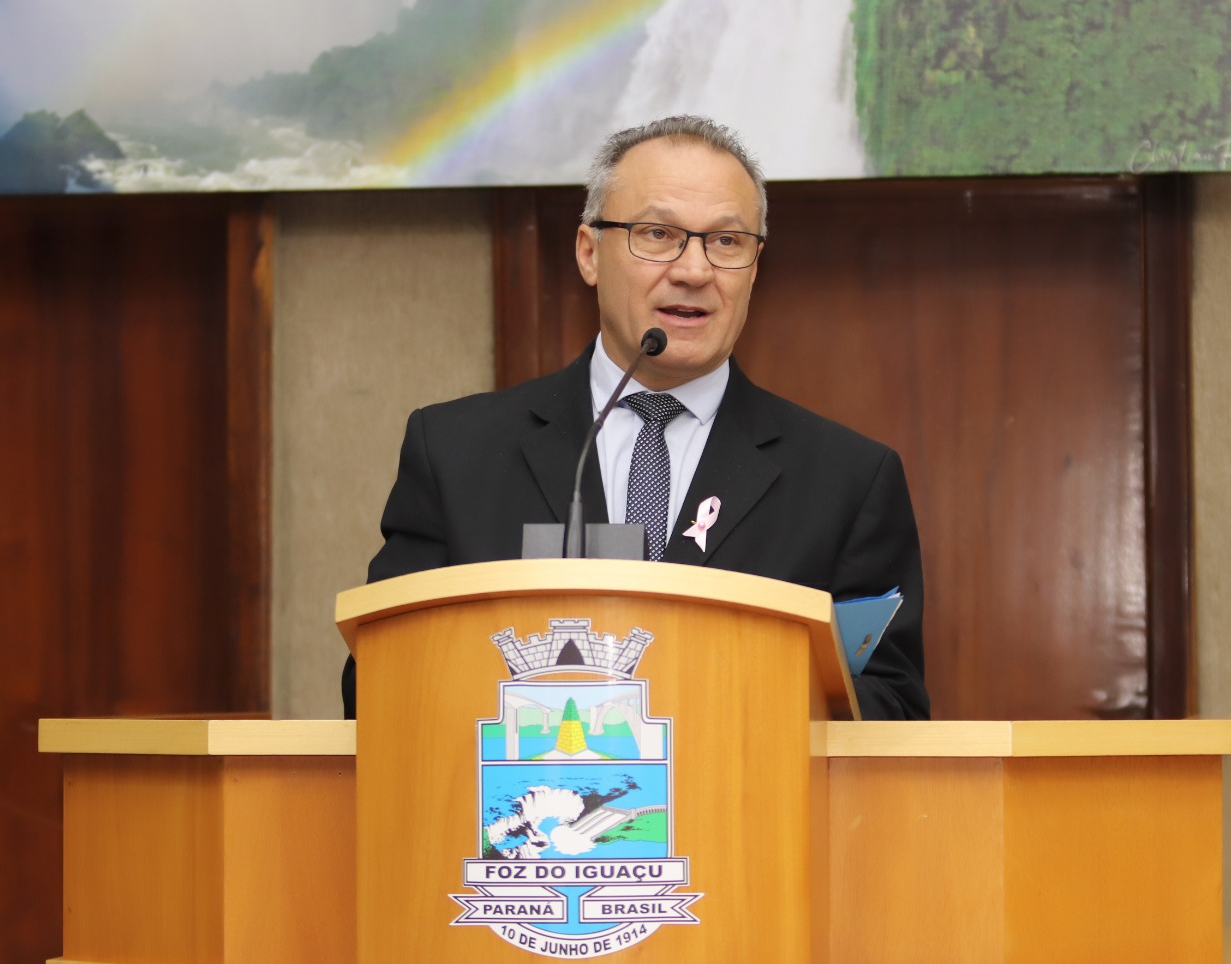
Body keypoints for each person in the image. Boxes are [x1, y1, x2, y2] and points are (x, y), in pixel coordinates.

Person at [342, 115, 928, 721]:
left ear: (755, 268)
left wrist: (740, 684)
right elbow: (379, 682)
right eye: (657, 233)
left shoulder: (847, 479)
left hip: (747, 807)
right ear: (589, 253)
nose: (694, 270)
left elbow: (896, 710)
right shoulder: (456, 452)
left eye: (726, 242)